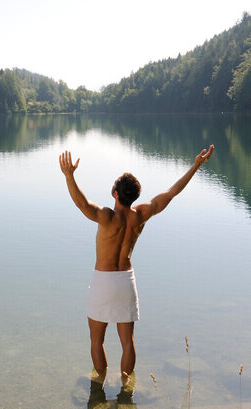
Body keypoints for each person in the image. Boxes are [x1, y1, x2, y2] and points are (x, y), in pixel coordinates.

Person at [58, 145, 214, 387]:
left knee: (96, 340)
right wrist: (195, 166)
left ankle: (99, 386)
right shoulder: (141, 215)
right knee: (127, 341)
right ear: (134, 196)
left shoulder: (107, 216)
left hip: (103, 280)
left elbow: (82, 204)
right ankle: (125, 389)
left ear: (115, 193)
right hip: (126, 281)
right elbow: (172, 192)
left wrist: (69, 176)